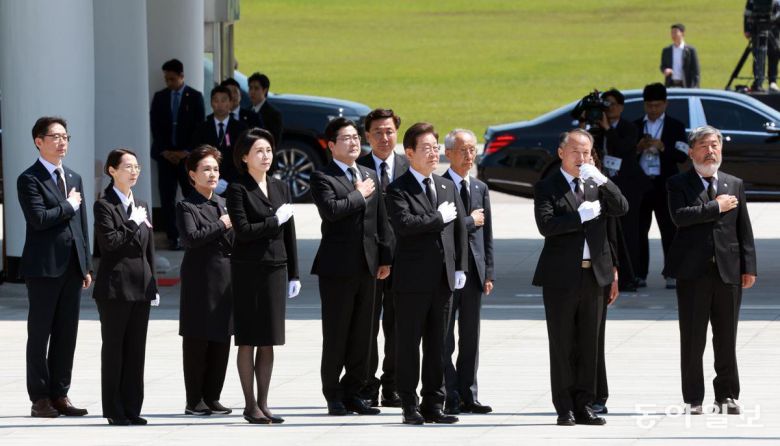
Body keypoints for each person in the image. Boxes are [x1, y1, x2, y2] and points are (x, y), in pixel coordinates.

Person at [532, 129, 628, 426]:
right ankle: (564, 406)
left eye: (586, 152)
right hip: (561, 277)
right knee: (563, 343)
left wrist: (604, 181)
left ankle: (586, 403)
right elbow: (546, 225)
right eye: (575, 151)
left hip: (594, 275)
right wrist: (579, 218)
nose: (581, 158)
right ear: (562, 153)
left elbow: (622, 207)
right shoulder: (548, 186)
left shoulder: (595, 185)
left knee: (590, 343)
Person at [666, 125, 757, 415]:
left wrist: (748, 266)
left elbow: (744, 229)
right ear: (691, 151)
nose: (710, 151)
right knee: (693, 338)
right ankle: (694, 397)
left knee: (727, 337)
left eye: (715, 145)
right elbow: (680, 217)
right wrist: (715, 207)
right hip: (692, 272)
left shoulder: (734, 183)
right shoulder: (678, 184)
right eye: (704, 146)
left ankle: (727, 395)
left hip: (728, 271)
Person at [385, 122, 468, 425]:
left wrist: (460, 267)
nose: (434, 153)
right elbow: (405, 226)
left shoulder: (446, 185)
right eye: (427, 148)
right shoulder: (397, 189)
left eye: (435, 147)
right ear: (409, 153)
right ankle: (409, 402)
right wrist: (436, 218)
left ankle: (435, 403)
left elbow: (459, 228)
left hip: (442, 279)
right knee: (409, 344)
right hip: (412, 282)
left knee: (438, 345)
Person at [310, 117, 392, 416]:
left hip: (369, 267)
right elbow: (332, 212)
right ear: (331, 145)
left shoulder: (369, 174)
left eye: (356, 137)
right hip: (337, 269)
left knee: (364, 334)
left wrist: (385, 257)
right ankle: (333, 393)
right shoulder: (323, 177)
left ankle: (355, 390)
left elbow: (380, 221)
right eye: (346, 138)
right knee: (337, 333)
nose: (354, 142)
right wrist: (359, 194)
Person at [18, 116, 92, 418]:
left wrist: (86, 263)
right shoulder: (29, 179)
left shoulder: (74, 177)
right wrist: (67, 206)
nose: (62, 142)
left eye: (65, 137)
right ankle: (40, 397)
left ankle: (61, 393)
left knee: (67, 333)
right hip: (43, 268)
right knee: (40, 334)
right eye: (55, 137)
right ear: (39, 141)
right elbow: (38, 219)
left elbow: (82, 225)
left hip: (72, 267)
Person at [226, 128, 300, 424]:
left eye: (268, 150)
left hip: (276, 269)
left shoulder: (280, 187)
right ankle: (249, 404)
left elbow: (289, 232)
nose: (265, 156)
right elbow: (242, 232)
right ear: (245, 157)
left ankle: (264, 402)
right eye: (258, 151)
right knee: (248, 339)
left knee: (269, 338)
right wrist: (272, 222)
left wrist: (293, 272)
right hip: (248, 270)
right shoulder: (237, 188)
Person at [93, 148, 157, 426]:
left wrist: (152, 281)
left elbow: (149, 249)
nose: (133, 172)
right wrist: (132, 222)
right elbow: (110, 244)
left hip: (140, 286)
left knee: (136, 350)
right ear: (112, 171)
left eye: (136, 167)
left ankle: (133, 407)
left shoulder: (140, 202)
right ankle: (114, 409)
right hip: (115, 287)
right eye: (127, 167)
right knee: (115, 348)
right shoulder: (104, 205)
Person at [356, 108, 409, 408]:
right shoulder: (358, 167)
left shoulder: (407, 165)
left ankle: (393, 385)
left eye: (389, 131)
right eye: (377, 132)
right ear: (367, 136)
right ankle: (367, 385)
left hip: (404, 260)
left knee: (399, 326)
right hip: (369, 260)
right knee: (367, 326)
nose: (384, 137)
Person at [176, 145, 235, 416]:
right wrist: (222, 225)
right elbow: (191, 238)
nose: (212, 174)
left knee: (221, 340)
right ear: (192, 174)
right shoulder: (187, 205)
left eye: (215, 169)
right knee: (198, 339)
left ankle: (213, 396)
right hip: (200, 280)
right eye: (206, 169)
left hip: (226, 278)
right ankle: (194, 399)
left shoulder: (222, 203)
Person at [441, 129, 494, 416]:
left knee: (471, 337)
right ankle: (450, 394)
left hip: (474, 272)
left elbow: (488, 235)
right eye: (462, 150)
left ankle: (469, 394)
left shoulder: (479, 188)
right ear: (448, 153)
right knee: (445, 339)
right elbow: (444, 227)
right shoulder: (440, 184)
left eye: (472, 150)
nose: (469, 155)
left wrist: (489, 272)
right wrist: (469, 221)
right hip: (448, 272)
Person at [633, 83, 688, 289]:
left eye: (657, 105)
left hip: (665, 186)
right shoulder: (636, 125)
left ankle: (672, 273)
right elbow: (625, 155)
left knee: (670, 229)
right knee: (639, 230)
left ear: (665, 104)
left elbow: (682, 156)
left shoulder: (676, 126)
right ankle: (639, 274)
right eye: (649, 105)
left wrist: (662, 147)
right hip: (642, 185)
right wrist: (638, 149)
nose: (653, 110)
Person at [150, 58, 205, 250]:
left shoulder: (195, 96)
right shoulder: (160, 97)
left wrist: (186, 152)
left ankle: (193, 232)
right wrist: (165, 151)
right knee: (167, 196)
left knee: (191, 193)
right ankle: (173, 236)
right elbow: (155, 126)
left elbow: (199, 127)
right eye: (166, 79)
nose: (169, 83)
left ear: (181, 76)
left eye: (172, 79)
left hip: (187, 157)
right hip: (165, 156)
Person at [585, 143, 621, 416]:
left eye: (589, 155)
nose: (584, 160)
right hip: (569, 270)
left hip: (600, 269)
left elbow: (613, 231)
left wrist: (615, 272)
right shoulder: (558, 185)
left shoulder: (602, 186)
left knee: (595, 338)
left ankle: (598, 393)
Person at [597, 89, 645, 291]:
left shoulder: (630, 127)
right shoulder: (596, 128)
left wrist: (608, 129)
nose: (610, 108)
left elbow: (623, 148)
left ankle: (630, 275)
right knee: (608, 231)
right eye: (606, 105)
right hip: (604, 185)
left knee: (629, 230)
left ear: (621, 107)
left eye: (613, 104)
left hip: (627, 185)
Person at [190, 85, 248, 187]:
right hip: (207, 182)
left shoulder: (240, 129)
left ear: (230, 103)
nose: (220, 104)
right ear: (211, 103)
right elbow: (197, 155)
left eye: (224, 100)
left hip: (234, 182)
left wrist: (227, 180)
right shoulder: (202, 128)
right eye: (216, 100)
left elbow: (242, 157)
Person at [744, 0, 780, 91]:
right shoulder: (752, 1)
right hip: (757, 30)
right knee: (758, 55)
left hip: (773, 31)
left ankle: (773, 81)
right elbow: (747, 13)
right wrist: (747, 29)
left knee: (774, 54)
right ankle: (758, 82)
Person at [248, 72, 283, 150]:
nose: (252, 92)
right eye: (250, 88)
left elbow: (275, 142)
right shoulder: (247, 111)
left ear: (265, 90)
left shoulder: (273, 114)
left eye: (256, 88)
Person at [660, 23, 700, 88]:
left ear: (683, 34)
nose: (673, 35)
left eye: (675, 32)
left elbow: (696, 72)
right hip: (670, 85)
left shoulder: (690, 51)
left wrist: (694, 88)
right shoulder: (666, 51)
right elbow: (662, 66)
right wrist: (665, 70)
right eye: (672, 33)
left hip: (686, 86)